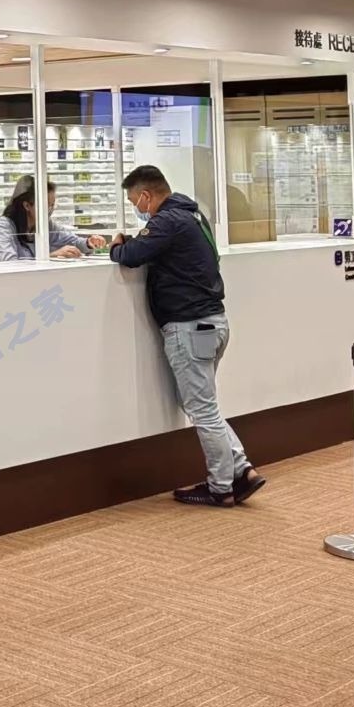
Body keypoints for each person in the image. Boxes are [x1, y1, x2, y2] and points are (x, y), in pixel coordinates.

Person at [109, 164, 265, 507]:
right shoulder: (192, 215)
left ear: (146, 196)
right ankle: (241, 470)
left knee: (203, 409)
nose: (137, 209)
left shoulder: (167, 221)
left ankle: (221, 486)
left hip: (189, 327)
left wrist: (117, 245)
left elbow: (130, 256)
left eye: (135, 202)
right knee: (202, 405)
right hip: (212, 324)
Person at [0, 177, 104, 262]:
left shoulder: (45, 224)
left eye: (52, 205)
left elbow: (73, 241)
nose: (51, 210)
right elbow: (10, 264)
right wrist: (50, 256)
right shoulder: (2, 228)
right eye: (47, 206)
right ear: (27, 205)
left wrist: (89, 242)